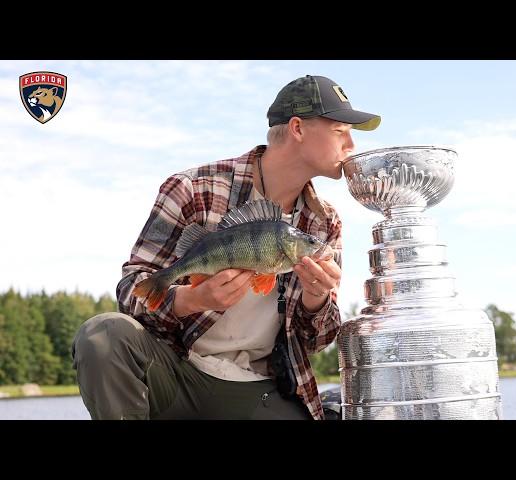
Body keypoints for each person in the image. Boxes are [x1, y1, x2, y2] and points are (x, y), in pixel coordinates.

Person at [71, 74, 381, 420]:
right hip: (180, 376)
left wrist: (316, 299)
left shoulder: (324, 223)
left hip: (260, 390)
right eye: (341, 131)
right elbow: (132, 291)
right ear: (297, 128)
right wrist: (191, 300)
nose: (351, 145)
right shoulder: (192, 188)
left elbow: (317, 342)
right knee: (103, 335)